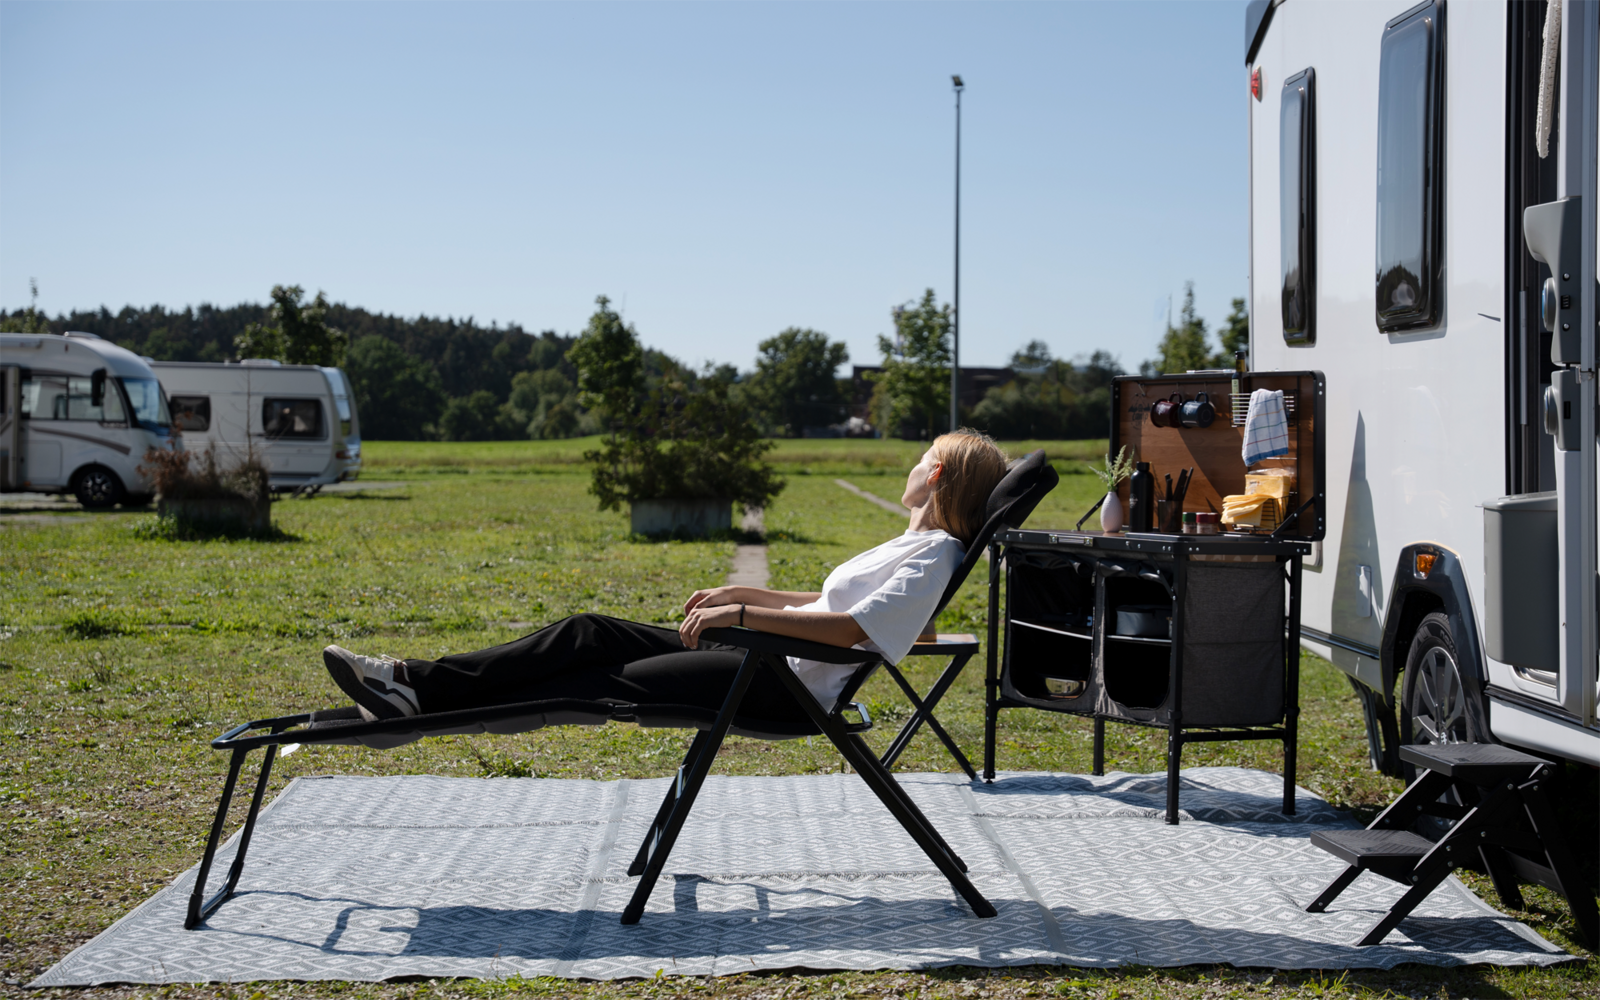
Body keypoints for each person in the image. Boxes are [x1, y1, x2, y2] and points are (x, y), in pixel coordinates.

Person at [322, 430, 1010, 723]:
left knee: (597, 684)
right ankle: (413, 683)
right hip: (761, 658)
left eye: (921, 457)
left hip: (779, 685)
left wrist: (741, 621)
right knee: (588, 633)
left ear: (938, 475)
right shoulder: (909, 545)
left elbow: (852, 629)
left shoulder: (934, 558)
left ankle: (418, 695)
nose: (911, 466)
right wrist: (746, 595)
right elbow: (826, 602)